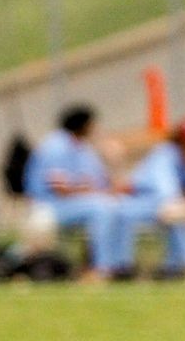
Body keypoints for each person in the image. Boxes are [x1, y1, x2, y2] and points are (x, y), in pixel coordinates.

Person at [117, 117, 185, 282]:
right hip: (138, 204)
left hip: (164, 206)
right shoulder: (165, 154)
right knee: (178, 213)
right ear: (183, 140)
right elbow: (168, 195)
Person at [21, 103, 122, 282]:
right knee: (101, 208)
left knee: (117, 206)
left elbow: (103, 182)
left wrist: (112, 159)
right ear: (82, 125)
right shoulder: (55, 145)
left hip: (73, 204)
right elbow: (59, 188)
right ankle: (100, 267)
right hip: (49, 206)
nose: (95, 129)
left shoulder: (83, 147)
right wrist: (86, 190)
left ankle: (119, 265)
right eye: (92, 125)